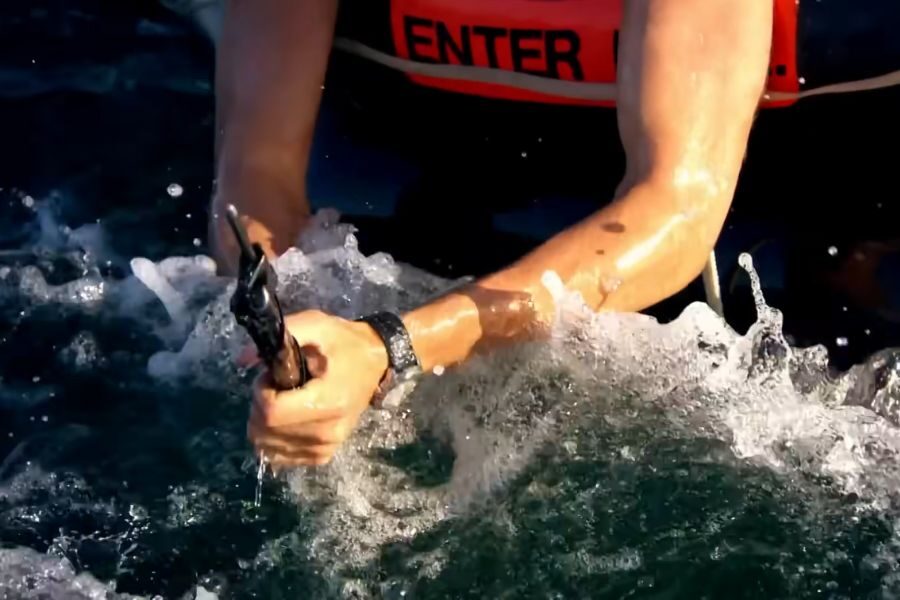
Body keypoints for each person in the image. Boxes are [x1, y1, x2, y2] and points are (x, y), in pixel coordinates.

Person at [162, 0, 898, 467]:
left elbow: (675, 205)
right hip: (452, 128)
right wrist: (289, 330)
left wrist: (390, 345)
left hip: (796, 145)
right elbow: (254, 172)